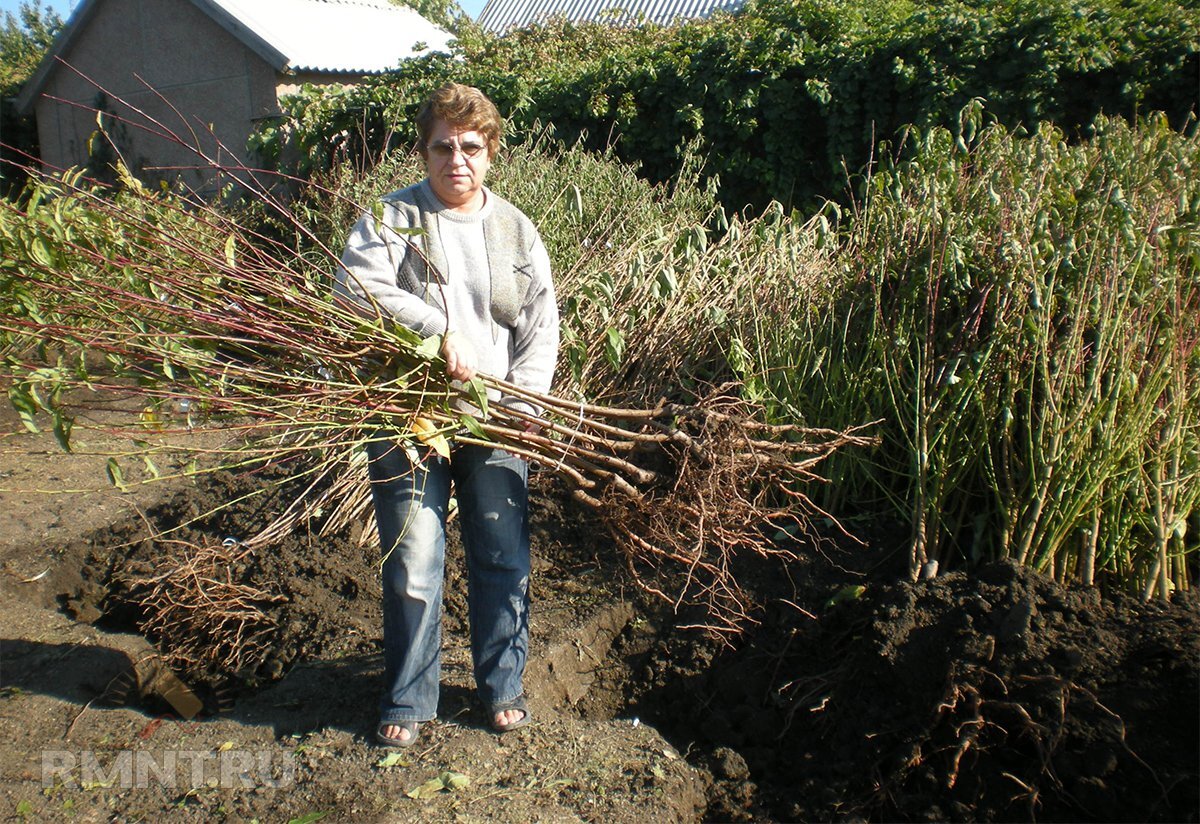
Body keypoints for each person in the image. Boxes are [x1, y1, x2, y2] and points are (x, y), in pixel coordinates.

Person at [334, 83, 559, 748]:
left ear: (490, 152)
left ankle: (502, 687)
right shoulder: (391, 217)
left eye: (470, 146)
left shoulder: (516, 228)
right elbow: (356, 289)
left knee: (501, 556)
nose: (456, 158)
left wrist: (522, 403)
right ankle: (409, 697)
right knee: (414, 561)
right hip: (409, 417)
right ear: (423, 151)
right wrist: (436, 328)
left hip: (492, 422)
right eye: (442, 146)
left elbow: (540, 327)